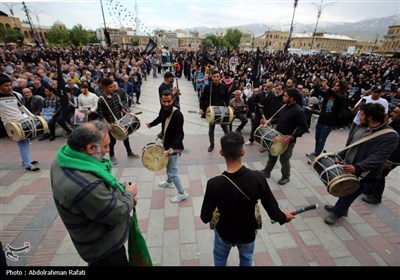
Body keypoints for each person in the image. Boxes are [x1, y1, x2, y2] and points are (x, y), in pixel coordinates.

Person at [50, 121, 138, 266]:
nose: (107, 150)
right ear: (90, 148)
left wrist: (121, 189)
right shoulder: (87, 185)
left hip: (89, 238)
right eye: (105, 146)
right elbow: (117, 213)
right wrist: (129, 195)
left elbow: (99, 195)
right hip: (104, 249)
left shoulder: (63, 159)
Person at [200, 132, 294, 266]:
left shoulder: (214, 184)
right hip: (247, 233)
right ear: (243, 152)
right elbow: (273, 211)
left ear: (221, 153)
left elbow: (204, 217)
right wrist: (283, 217)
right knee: (246, 259)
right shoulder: (258, 179)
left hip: (224, 232)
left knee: (220, 259)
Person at [324, 103, 399, 225]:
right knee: (347, 190)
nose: (359, 116)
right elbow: (351, 144)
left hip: (365, 173)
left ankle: (337, 213)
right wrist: (340, 156)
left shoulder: (390, 136)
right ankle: (341, 208)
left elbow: (379, 157)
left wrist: (359, 167)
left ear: (370, 117)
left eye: (362, 114)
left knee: (351, 193)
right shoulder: (361, 126)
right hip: (349, 167)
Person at [259, 88, 308, 185]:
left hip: (288, 141)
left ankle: (286, 177)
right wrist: (270, 121)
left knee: (284, 159)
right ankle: (267, 171)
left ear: (292, 98)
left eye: (285, 96)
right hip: (277, 137)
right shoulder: (284, 106)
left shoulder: (299, 111)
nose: (283, 97)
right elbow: (280, 119)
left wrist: (292, 137)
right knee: (272, 154)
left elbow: (304, 127)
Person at [146, 90, 188, 203]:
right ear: (161, 99)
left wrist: (173, 148)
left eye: (169, 101)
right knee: (168, 166)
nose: (166, 104)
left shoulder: (177, 114)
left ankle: (182, 193)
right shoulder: (163, 109)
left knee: (172, 171)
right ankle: (169, 183)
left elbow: (180, 134)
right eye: (164, 101)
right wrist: (151, 124)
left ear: (173, 100)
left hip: (175, 148)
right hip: (166, 144)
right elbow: (160, 118)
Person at [0, 74, 40, 172]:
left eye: (10, 85)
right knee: (22, 143)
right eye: (6, 85)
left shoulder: (13, 94)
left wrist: (32, 116)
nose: (9, 87)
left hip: (21, 120)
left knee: (26, 141)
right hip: (11, 124)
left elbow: (21, 107)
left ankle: (26, 160)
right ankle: (27, 165)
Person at [362, 103, 400, 204]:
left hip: (391, 159)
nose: (392, 113)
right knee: (374, 173)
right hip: (386, 156)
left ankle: (376, 197)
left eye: (396, 112)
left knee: (380, 176)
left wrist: (390, 161)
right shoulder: (394, 122)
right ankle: (369, 190)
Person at [97, 78, 140, 164]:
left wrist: (128, 114)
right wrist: (108, 125)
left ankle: (129, 152)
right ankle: (112, 156)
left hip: (120, 121)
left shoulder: (116, 95)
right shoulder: (101, 100)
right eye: (110, 87)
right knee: (112, 141)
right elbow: (101, 115)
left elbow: (121, 108)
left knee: (126, 137)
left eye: (113, 86)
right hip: (111, 124)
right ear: (104, 87)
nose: (112, 88)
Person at [306, 79, 344, 164]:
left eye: (337, 85)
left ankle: (316, 157)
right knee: (317, 138)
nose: (335, 86)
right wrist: (315, 84)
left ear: (341, 87)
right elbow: (318, 91)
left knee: (321, 140)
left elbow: (336, 96)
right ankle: (316, 153)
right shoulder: (329, 94)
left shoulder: (342, 97)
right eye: (335, 85)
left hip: (329, 123)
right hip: (321, 120)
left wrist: (326, 87)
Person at [199, 70, 230, 152]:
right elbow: (202, 99)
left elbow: (227, 99)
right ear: (211, 77)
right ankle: (212, 144)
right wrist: (201, 108)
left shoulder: (224, 87)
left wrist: (229, 108)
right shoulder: (208, 87)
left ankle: (228, 144)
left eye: (217, 76)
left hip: (222, 111)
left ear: (220, 77)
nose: (216, 78)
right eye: (214, 77)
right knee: (211, 130)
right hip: (212, 112)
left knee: (226, 130)